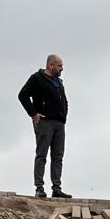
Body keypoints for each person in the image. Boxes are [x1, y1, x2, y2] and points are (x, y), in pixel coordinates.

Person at [19, 55, 70, 199]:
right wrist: (33, 113)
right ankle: (39, 187)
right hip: (45, 122)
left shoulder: (59, 82)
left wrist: (64, 115)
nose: (62, 68)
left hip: (59, 123)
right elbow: (22, 95)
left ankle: (56, 188)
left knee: (58, 156)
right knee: (42, 155)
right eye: (59, 66)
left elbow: (64, 100)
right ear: (51, 65)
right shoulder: (37, 78)